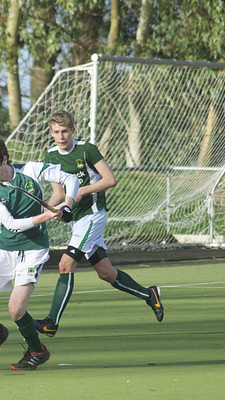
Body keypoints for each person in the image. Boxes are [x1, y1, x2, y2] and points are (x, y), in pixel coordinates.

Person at [34, 110, 164, 338]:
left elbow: (110, 179)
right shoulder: (51, 157)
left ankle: (51, 323)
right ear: (51, 133)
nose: (61, 136)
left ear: (73, 130)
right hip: (77, 220)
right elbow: (58, 193)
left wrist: (80, 190)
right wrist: (42, 213)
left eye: (65, 131)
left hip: (93, 216)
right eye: (56, 132)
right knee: (106, 273)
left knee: (65, 265)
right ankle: (149, 295)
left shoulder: (87, 149)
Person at [0, 137, 78, 371]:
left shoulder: (31, 170)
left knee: (16, 309)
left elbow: (70, 178)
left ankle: (37, 351)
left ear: (4, 159)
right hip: (3, 249)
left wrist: (68, 204)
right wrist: (49, 215)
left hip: (33, 250)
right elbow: (12, 224)